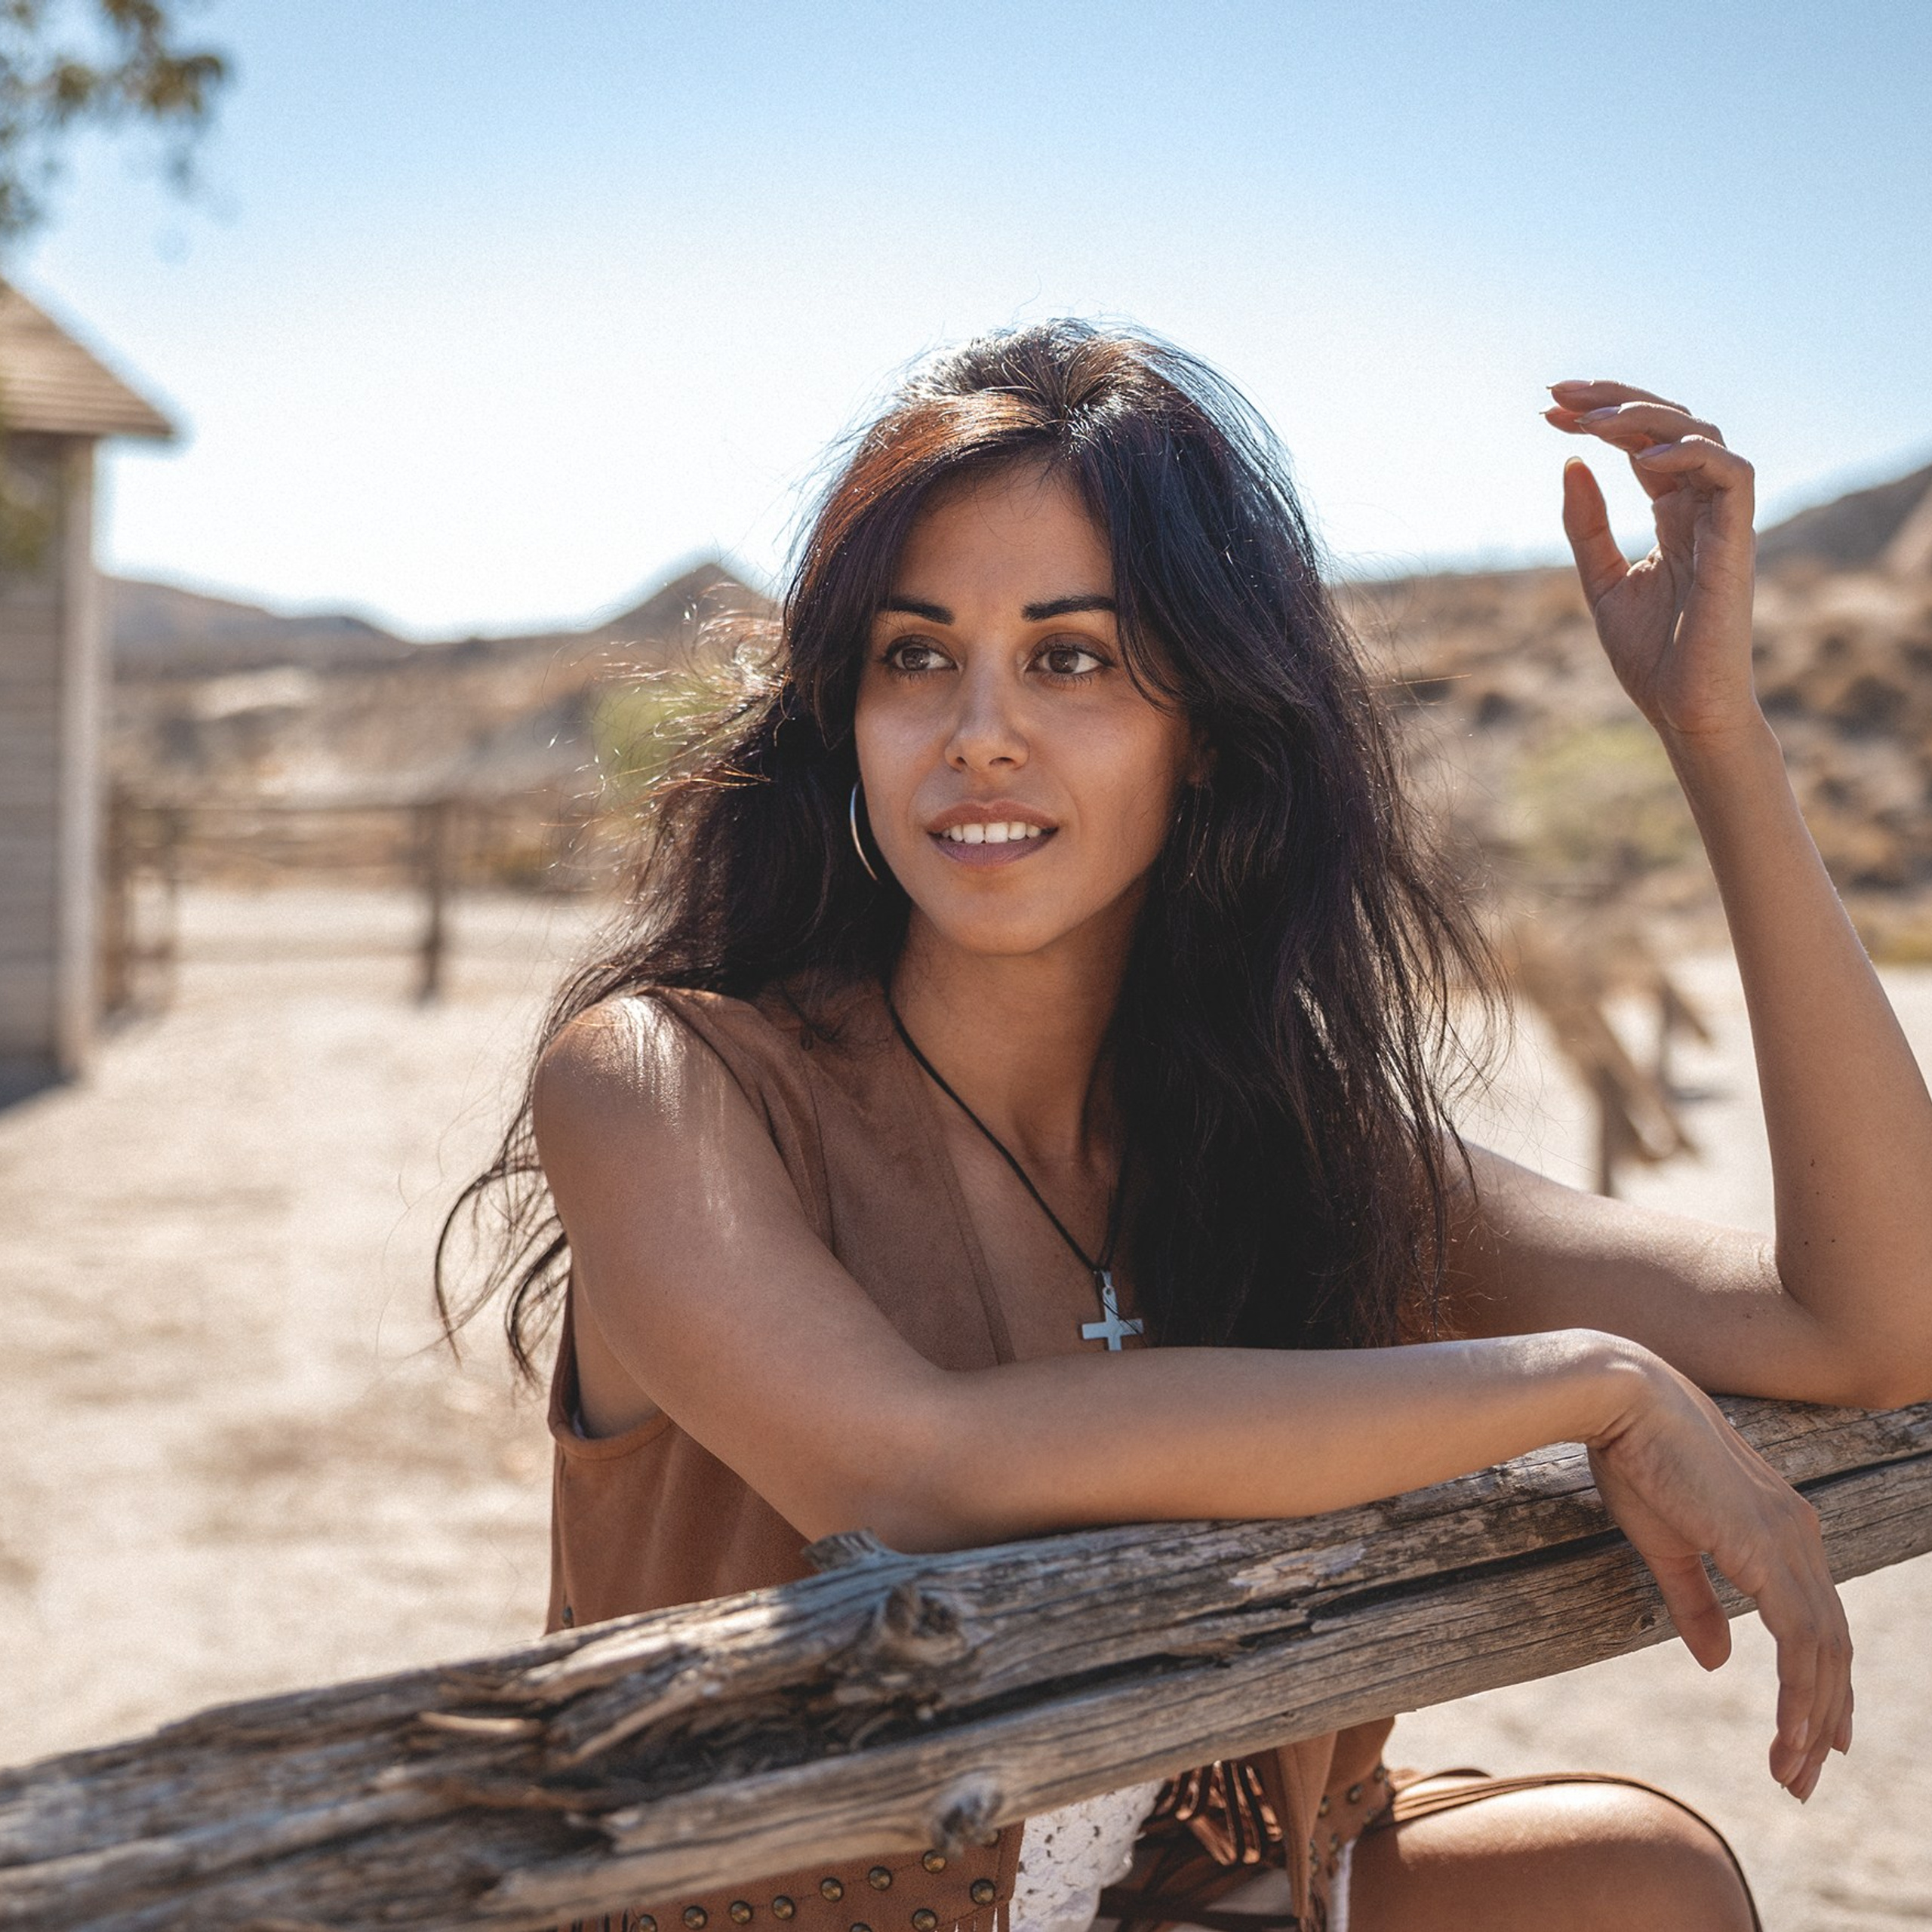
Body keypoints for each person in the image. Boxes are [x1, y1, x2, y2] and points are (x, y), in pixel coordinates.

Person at [440, 321, 1932, 1932]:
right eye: (913, 654)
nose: (977, 732)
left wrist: (1720, 741)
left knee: (1633, 1885)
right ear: (843, 711)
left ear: (1204, 727)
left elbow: (1870, 1323)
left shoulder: (1285, 1141)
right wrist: (1580, 1379)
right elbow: (910, 1468)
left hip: (1159, 1881)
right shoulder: (662, 1080)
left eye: (1069, 656)